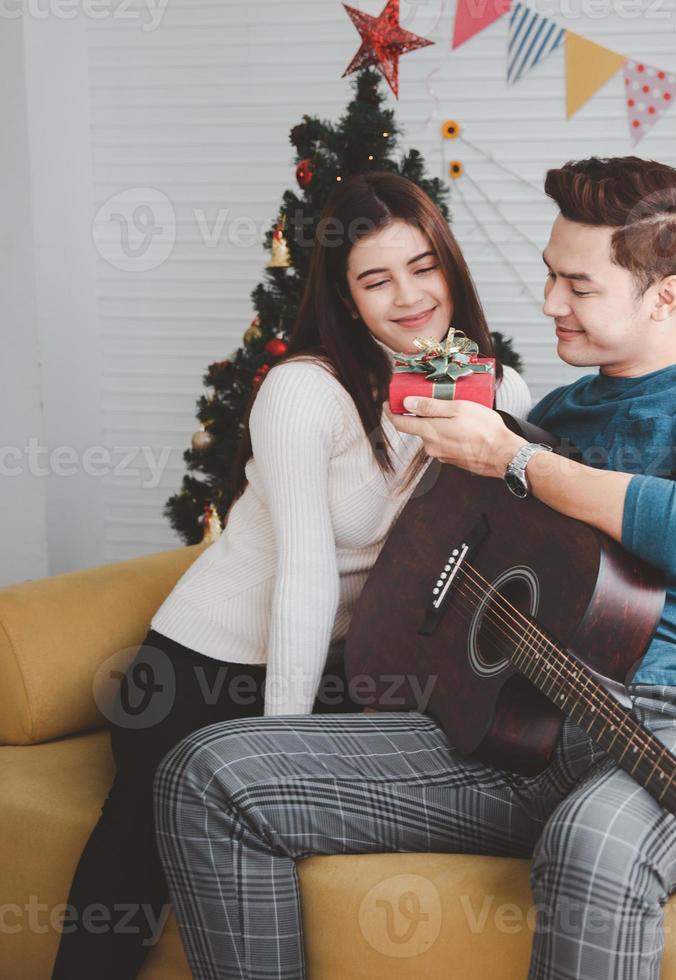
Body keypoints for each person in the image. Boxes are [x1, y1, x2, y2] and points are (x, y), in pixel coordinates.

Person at [150, 156, 676, 980]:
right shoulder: (544, 412)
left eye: (580, 286)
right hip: (518, 731)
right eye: (548, 276)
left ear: (663, 295)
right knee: (210, 773)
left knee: (590, 844)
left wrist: (514, 458)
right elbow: (443, 568)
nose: (548, 302)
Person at [51, 172, 532, 980]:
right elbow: (307, 578)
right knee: (134, 866)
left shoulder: (499, 391)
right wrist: (274, 750)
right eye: (376, 279)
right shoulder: (305, 390)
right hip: (199, 671)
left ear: (451, 268)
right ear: (345, 300)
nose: (410, 296)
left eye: (424, 267)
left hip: (344, 669)